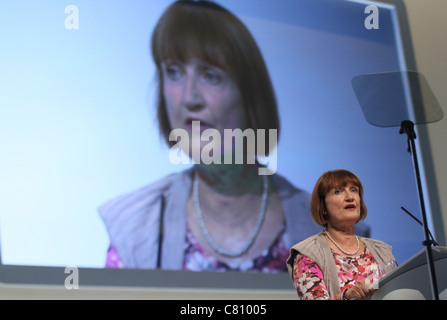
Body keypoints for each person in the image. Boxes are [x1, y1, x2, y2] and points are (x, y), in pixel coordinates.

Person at [99, 1, 369, 272]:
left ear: (249, 95)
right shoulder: (133, 230)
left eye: (210, 75)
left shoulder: (332, 231)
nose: (189, 98)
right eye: (174, 72)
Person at [286, 169, 396, 299]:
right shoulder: (308, 253)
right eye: (338, 191)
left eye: (354, 190)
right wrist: (347, 296)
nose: (350, 197)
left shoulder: (381, 250)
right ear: (323, 207)